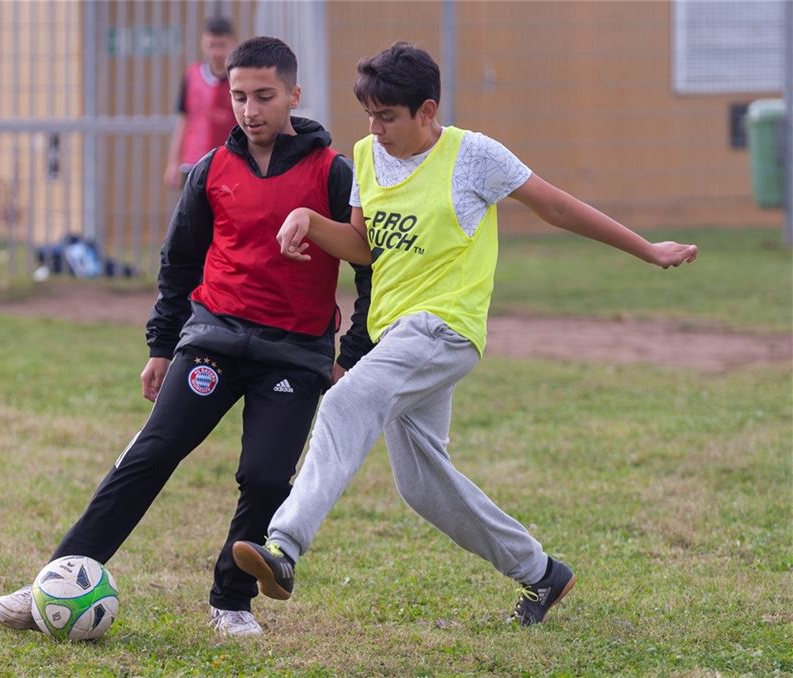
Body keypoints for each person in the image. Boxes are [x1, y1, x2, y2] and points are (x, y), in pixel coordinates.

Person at [232, 42, 698, 628]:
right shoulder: (367, 156)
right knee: (421, 485)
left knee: (346, 402)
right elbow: (365, 248)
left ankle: (285, 547)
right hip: (395, 335)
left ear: (427, 111)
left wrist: (647, 249)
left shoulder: (473, 155)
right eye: (369, 115)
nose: (375, 129)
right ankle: (541, 572)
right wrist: (309, 221)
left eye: (388, 117)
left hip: (445, 328)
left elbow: (556, 208)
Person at [0, 36, 373, 638]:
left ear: (293, 95)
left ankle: (232, 600)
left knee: (267, 479)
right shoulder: (211, 170)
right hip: (211, 341)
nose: (250, 109)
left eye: (264, 96)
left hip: (293, 356)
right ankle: (58, 578)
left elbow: (366, 265)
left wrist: (349, 355)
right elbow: (179, 264)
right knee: (149, 454)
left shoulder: (334, 172)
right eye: (239, 96)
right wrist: (162, 347)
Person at [163, 16, 237, 190]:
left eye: (222, 45)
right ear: (203, 43)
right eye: (212, 45)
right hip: (194, 162)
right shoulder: (192, 75)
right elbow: (183, 120)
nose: (217, 52)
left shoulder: (239, 77)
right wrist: (173, 162)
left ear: (233, 43)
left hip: (230, 161)